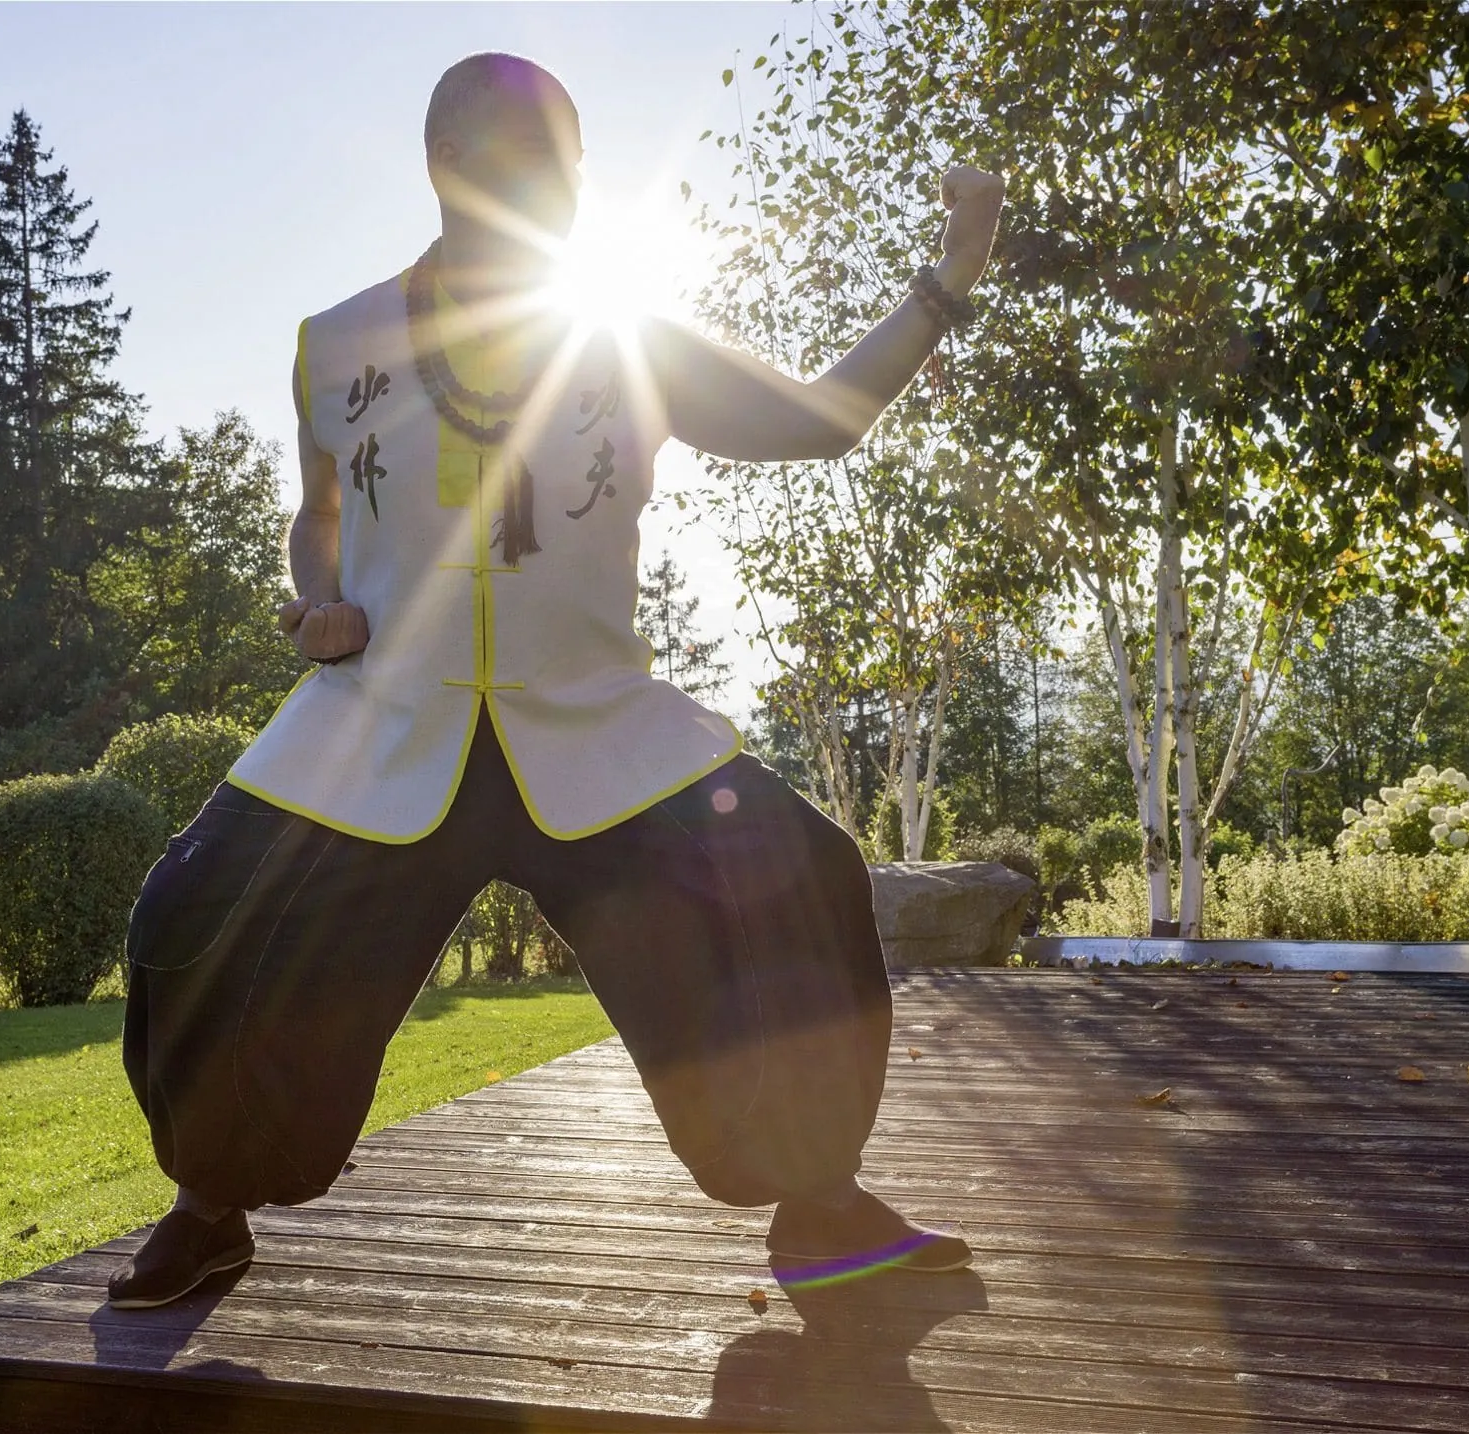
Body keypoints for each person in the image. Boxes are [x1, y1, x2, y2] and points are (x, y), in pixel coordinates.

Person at [109, 51, 1003, 1310]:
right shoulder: (335, 342)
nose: (566, 188)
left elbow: (819, 419)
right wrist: (315, 596)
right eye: (538, 162)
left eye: (576, 164)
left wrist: (948, 276)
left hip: (595, 726)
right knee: (192, 918)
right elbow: (314, 516)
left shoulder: (623, 339)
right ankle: (210, 1206)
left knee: (800, 878)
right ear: (448, 168)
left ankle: (820, 1205)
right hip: (382, 724)